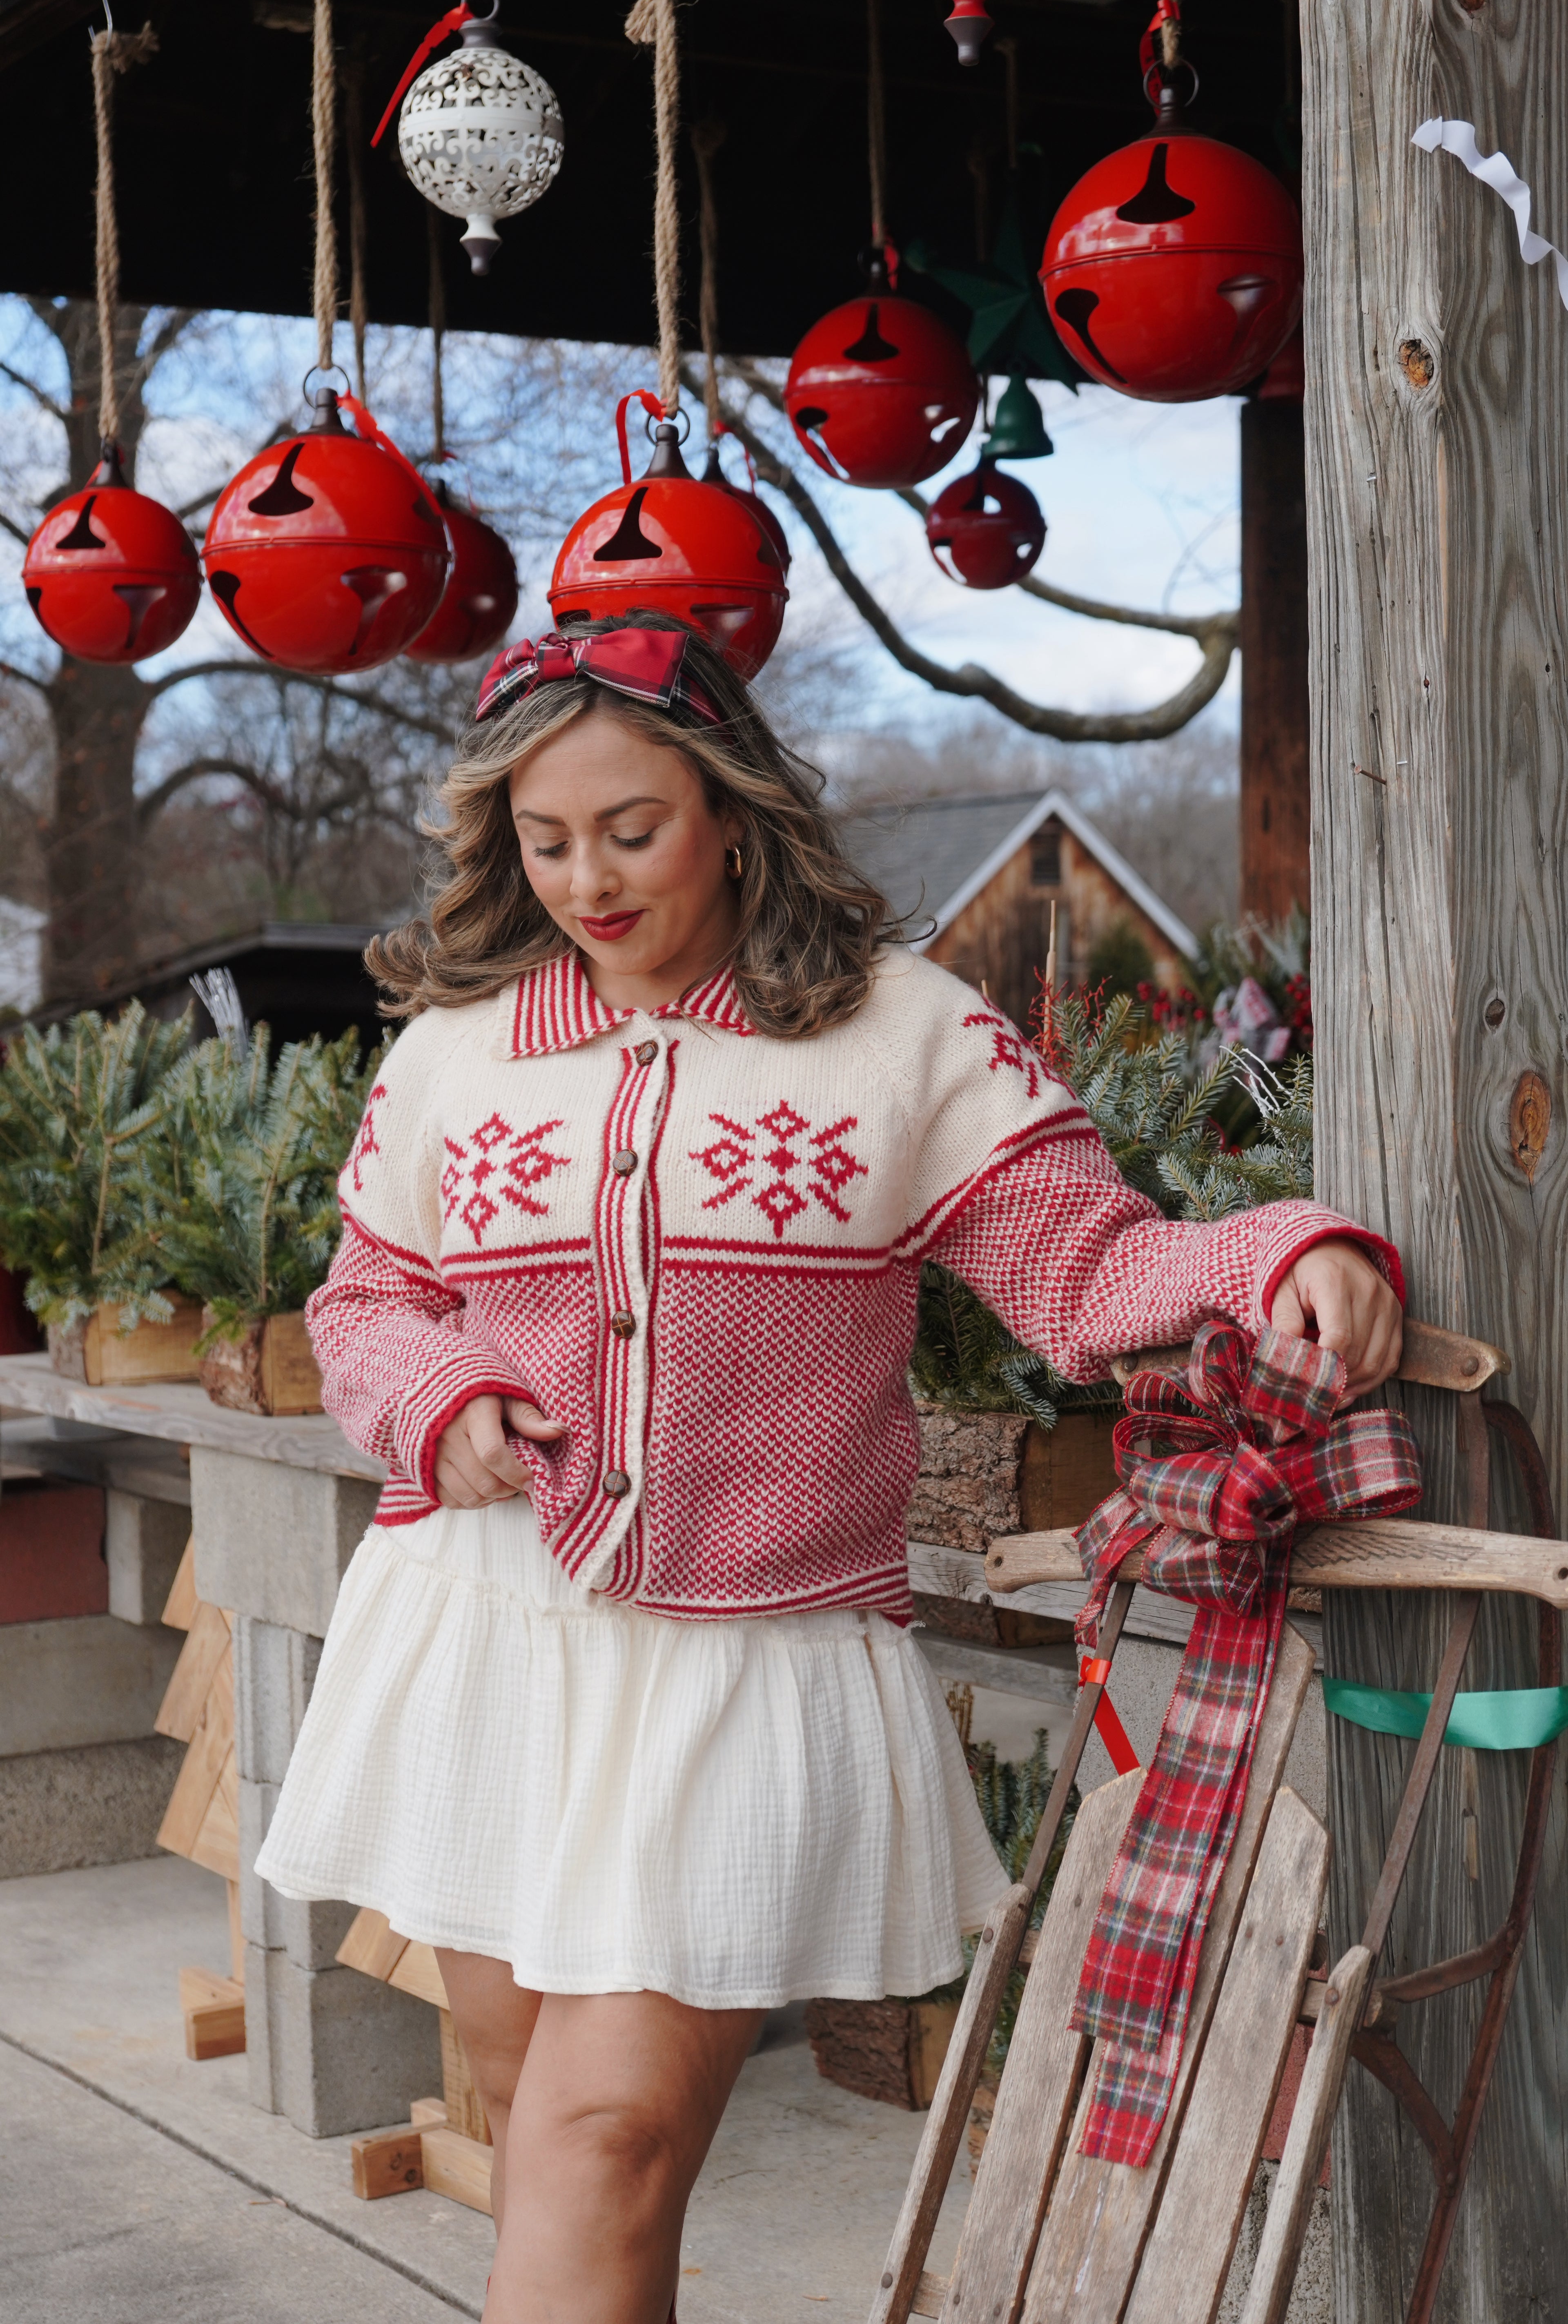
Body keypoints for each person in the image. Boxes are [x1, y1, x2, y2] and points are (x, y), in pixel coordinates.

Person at [256, 613, 1403, 2324]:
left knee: (609, 2133)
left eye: (631, 829)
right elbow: (367, 1302)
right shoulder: (455, 1055)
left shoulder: (901, 1038)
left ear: (729, 809)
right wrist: (440, 1400)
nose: (588, 879)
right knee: (523, 2102)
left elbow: (1084, 1266)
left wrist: (1278, 1253)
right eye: (544, 840)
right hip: (484, 1630)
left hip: (751, 1643)